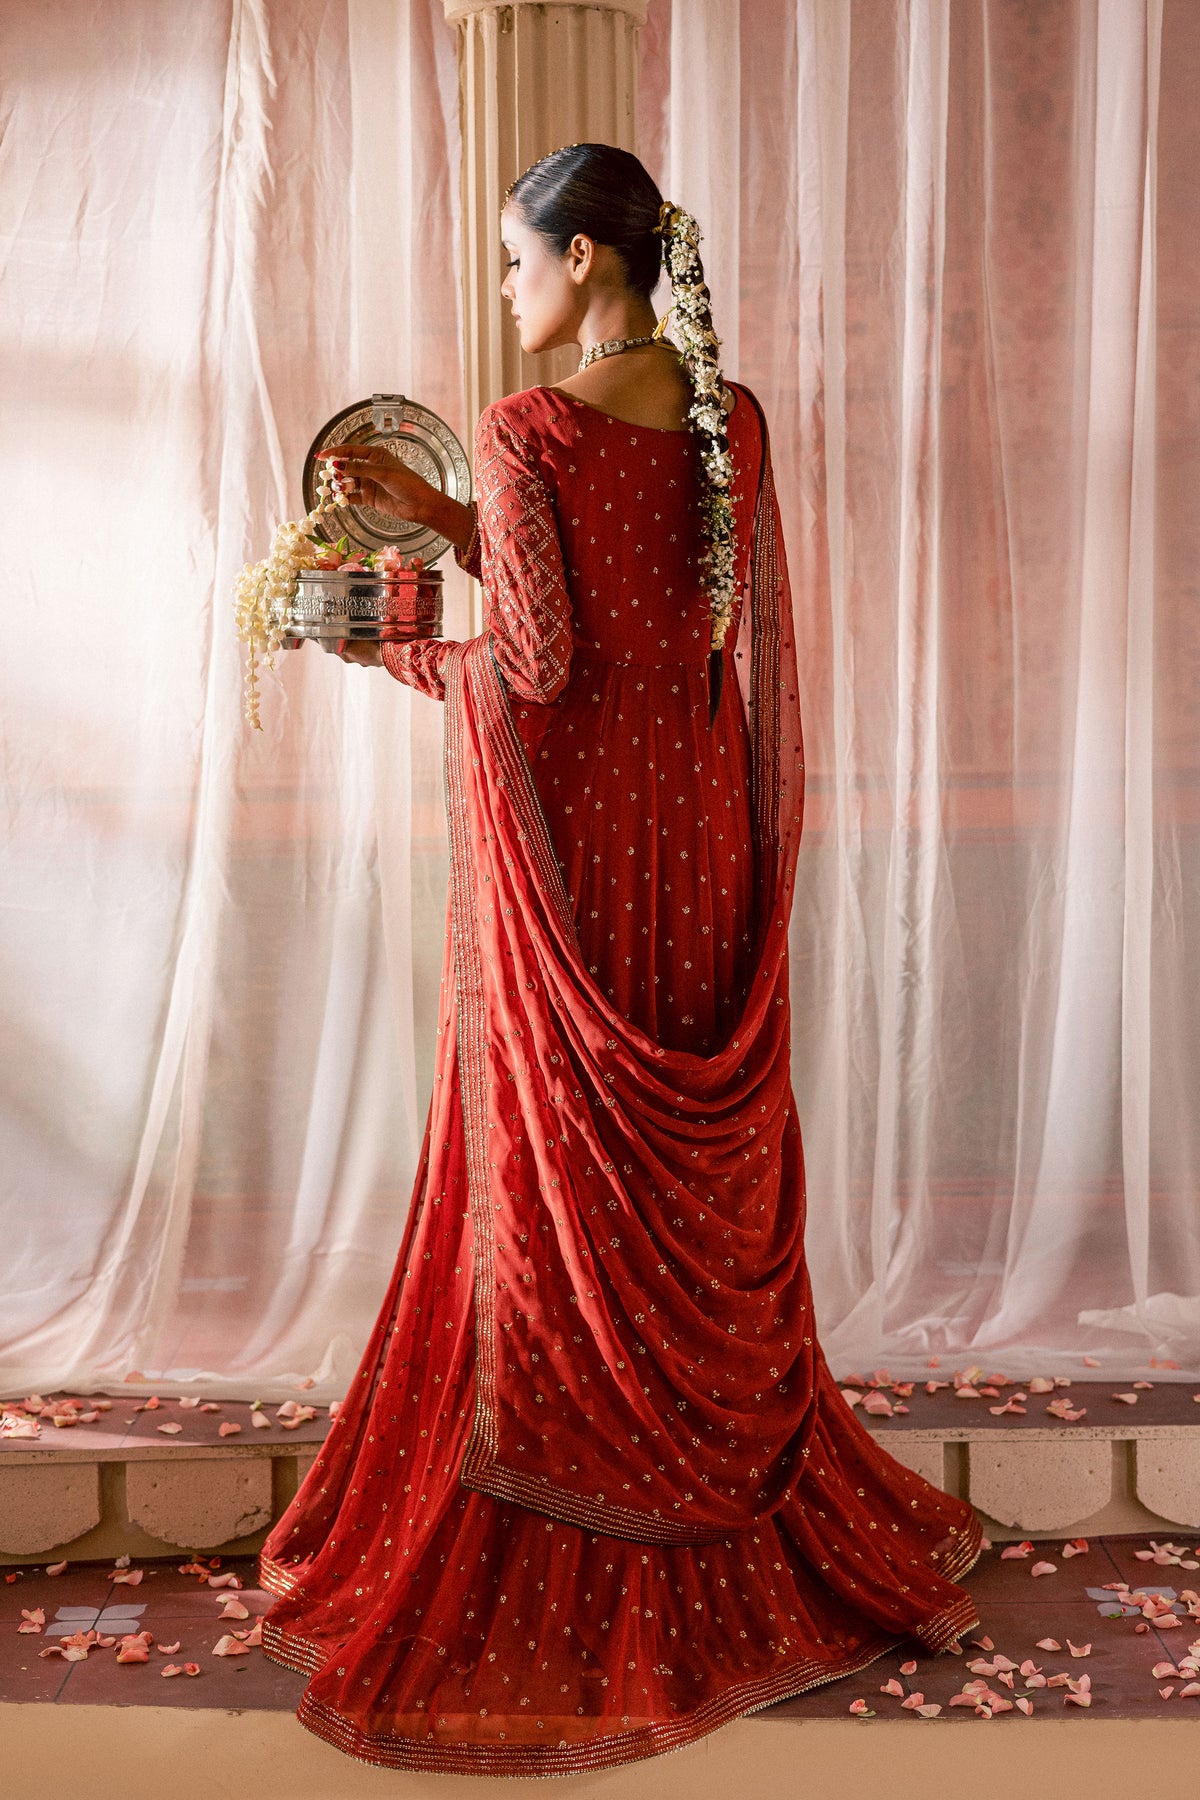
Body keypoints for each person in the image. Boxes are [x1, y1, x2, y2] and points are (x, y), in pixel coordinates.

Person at [259, 142, 982, 1777]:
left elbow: (532, 664)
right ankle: (718, 1483)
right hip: (698, 825)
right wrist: (452, 517)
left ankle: (574, 1482)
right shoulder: (732, 418)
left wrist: (390, 644)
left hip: (581, 845)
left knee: (565, 1179)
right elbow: (670, 624)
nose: (509, 289)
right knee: (682, 1176)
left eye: (520, 261)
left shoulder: (529, 426)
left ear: (585, 259)